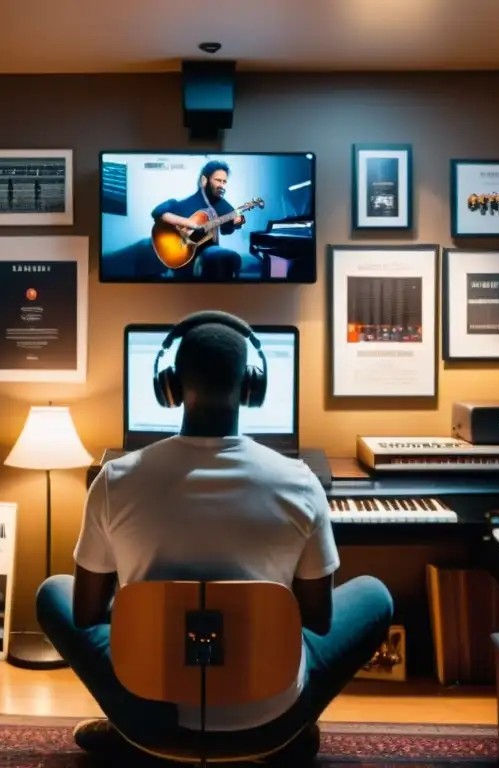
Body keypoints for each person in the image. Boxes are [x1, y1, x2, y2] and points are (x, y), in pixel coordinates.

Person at [36, 311, 394, 763]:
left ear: (169, 387)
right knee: (375, 596)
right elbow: (317, 619)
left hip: (150, 706)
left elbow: (87, 613)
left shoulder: (114, 480)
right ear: (250, 389)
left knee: (54, 592)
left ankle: (137, 733)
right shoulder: (300, 482)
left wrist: (155, 618)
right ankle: (286, 731)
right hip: (268, 716)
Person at [151, 160, 246, 280]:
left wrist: (238, 222)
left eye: (224, 182)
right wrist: (190, 224)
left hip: (210, 261)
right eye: (218, 180)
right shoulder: (184, 204)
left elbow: (227, 230)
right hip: (182, 261)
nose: (221, 185)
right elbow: (157, 212)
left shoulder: (222, 205)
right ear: (204, 180)